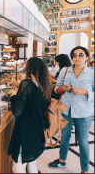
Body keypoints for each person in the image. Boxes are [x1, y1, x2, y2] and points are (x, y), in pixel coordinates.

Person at [48, 46, 94, 174]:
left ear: (86, 57)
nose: (77, 57)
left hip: (84, 112)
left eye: (81, 55)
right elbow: (56, 89)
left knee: (83, 141)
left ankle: (84, 169)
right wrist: (63, 89)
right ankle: (62, 161)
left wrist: (84, 92)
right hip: (65, 110)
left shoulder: (91, 73)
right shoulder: (65, 70)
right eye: (74, 55)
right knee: (64, 138)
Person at [8, 57, 51, 173]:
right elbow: (34, 105)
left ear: (29, 68)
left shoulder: (26, 84)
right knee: (32, 164)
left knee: (17, 167)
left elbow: (17, 111)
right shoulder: (45, 86)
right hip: (37, 131)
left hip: (25, 132)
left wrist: (13, 96)